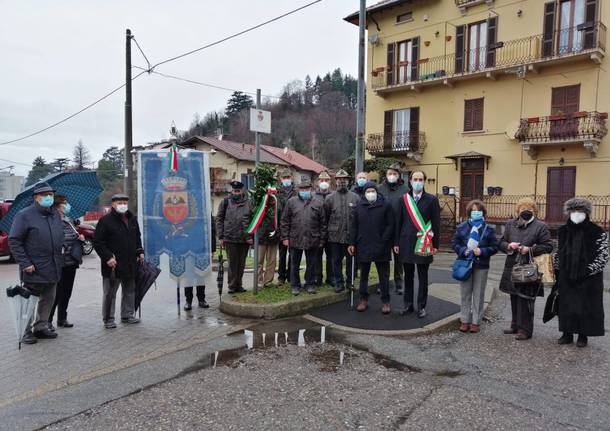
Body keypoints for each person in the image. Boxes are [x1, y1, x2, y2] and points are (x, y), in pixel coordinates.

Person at [9, 182, 64, 344]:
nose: (49, 198)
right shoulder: (24, 215)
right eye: (45, 195)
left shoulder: (55, 214)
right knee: (29, 302)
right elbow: (14, 240)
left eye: (51, 195)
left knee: (48, 298)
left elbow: (58, 236)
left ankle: (41, 327)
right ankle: (25, 331)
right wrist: (25, 263)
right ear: (36, 198)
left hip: (53, 265)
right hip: (33, 267)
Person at [555, 198, 608, 348]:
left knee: (586, 306)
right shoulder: (563, 231)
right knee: (566, 305)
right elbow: (559, 252)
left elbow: (603, 256)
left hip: (589, 278)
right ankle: (567, 334)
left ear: (587, 213)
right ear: (569, 213)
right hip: (566, 276)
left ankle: (583, 336)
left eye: (580, 211)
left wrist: (588, 270)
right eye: (574, 211)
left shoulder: (598, 232)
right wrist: (557, 270)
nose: (577, 214)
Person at [498, 197, 552, 340]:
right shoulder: (511, 224)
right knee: (514, 296)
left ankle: (525, 330)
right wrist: (509, 246)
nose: (525, 211)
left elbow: (549, 246)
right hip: (512, 265)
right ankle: (515, 325)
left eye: (529, 209)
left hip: (529, 268)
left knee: (526, 298)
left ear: (534, 211)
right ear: (518, 211)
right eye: (522, 209)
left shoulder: (541, 226)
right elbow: (501, 242)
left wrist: (530, 249)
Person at [394, 170, 441, 318]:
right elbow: (398, 223)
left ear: (424, 181)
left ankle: (421, 306)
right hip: (406, 243)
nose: (418, 181)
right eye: (415, 179)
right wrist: (396, 242)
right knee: (407, 276)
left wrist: (436, 244)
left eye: (420, 179)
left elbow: (436, 224)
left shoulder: (432, 200)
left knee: (423, 277)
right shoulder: (403, 200)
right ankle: (408, 305)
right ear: (410, 181)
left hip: (424, 243)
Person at [93, 193, 145, 329]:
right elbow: (98, 242)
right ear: (113, 204)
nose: (122, 205)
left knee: (129, 290)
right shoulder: (105, 221)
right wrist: (107, 257)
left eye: (124, 202)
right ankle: (108, 319)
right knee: (110, 293)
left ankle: (127, 315)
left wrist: (140, 251)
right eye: (119, 202)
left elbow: (137, 237)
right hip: (113, 265)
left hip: (130, 263)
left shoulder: (132, 219)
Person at [452, 200, 498, 333]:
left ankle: (476, 322)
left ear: (483, 212)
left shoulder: (489, 229)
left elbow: (495, 247)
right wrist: (463, 251)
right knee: (465, 294)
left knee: (478, 294)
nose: (476, 212)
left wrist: (482, 251)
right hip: (465, 264)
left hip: (481, 265)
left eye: (478, 210)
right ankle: (464, 320)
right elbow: (454, 243)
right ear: (469, 213)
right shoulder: (462, 227)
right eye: (473, 210)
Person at [349, 182, 394, 314]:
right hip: (363, 245)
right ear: (364, 193)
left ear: (376, 191)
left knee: (383, 276)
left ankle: (385, 302)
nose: (370, 193)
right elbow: (354, 227)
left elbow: (390, 224)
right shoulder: (359, 207)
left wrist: (384, 239)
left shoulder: (386, 205)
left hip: (382, 246)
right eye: (367, 191)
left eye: (372, 191)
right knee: (364, 275)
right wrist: (352, 243)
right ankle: (363, 299)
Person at [280, 178, 327, 295]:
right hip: (295, 238)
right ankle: (295, 285)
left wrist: (322, 239)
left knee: (311, 264)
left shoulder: (318, 203)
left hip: (313, 239)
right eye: (302, 189)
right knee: (294, 264)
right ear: (298, 190)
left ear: (310, 189)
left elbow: (323, 223)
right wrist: (285, 238)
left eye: (306, 189)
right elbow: (284, 221)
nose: (304, 190)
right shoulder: (291, 202)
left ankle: (309, 284)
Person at [48, 195, 85, 329]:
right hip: (59, 263)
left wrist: (79, 237)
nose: (67, 205)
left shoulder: (68, 220)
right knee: (56, 293)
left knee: (67, 292)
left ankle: (62, 318)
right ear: (58, 205)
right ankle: (48, 321)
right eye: (65, 203)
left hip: (71, 262)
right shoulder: (52, 220)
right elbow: (53, 239)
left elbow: (71, 236)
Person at [324, 169, 359, 293]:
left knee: (351, 261)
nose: (342, 181)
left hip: (350, 237)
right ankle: (339, 283)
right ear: (336, 181)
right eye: (339, 179)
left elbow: (358, 218)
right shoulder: (329, 198)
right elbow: (326, 217)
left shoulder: (355, 198)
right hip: (335, 236)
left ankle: (350, 282)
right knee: (336, 260)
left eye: (345, 179)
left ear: (349, 181)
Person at [216, 181, 253, 294]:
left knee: (241, 264)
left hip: (244, 238)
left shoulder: (249, 203)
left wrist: (250, 236)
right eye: (234, 191)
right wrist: (220, 236)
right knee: (232, 264)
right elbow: (219, 219)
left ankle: (239, 285)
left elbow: (252, 220)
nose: (236, 193)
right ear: (231, 191)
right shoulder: (225, 202)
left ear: (242, 191)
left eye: (238, 191)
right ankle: (232, 286)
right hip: (230, 238)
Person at [378, 163, 409, 295]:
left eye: (394, 174)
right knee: (383, 258)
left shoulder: (405, 190)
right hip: (383, 229)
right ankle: (383, 284)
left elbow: (408, 210)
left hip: (399, 229)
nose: (392, 176)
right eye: (390, 173)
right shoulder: (379, 189)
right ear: (386, 175)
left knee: (399, 259)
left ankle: (399, 283)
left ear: (399, 175)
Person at [183, 214, 215, 310]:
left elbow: (211, 230)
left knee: (201, 274)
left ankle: (201, 299)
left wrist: (212, 249)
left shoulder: (205, 209)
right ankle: (188, 301)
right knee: (188, 275)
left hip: (202, 248)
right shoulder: (185, 209)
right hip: (187, 248)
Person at [314, 171, 334, 286]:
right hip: (317, 232)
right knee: (317, 256)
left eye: (326, 180)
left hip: (331, 231)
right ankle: (318, 278)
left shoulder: (334, 195)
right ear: (318, 182)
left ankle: (331, 278)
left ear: (330, 182)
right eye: (322, 180)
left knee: (331, 256)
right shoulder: (312, 196)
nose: (324, 183)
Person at [257, 194, 279, 288]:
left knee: (271, 260)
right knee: (259, 261)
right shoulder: (258, 200)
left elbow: (280, 217)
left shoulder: (277, 201)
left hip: (273, 236)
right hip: (261, 236)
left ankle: (268, 281)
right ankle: (259, 282)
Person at [277, 169, 295, 285]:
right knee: (282, 255)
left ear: (291, 178)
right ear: (280, 179)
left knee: (292, 255)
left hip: (294, 228)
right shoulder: (276, 192)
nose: (286, 179)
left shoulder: (296, 192)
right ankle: (281, 277)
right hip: (281, 228)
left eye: (288, 177)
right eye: (284, 178)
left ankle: (291, 276)